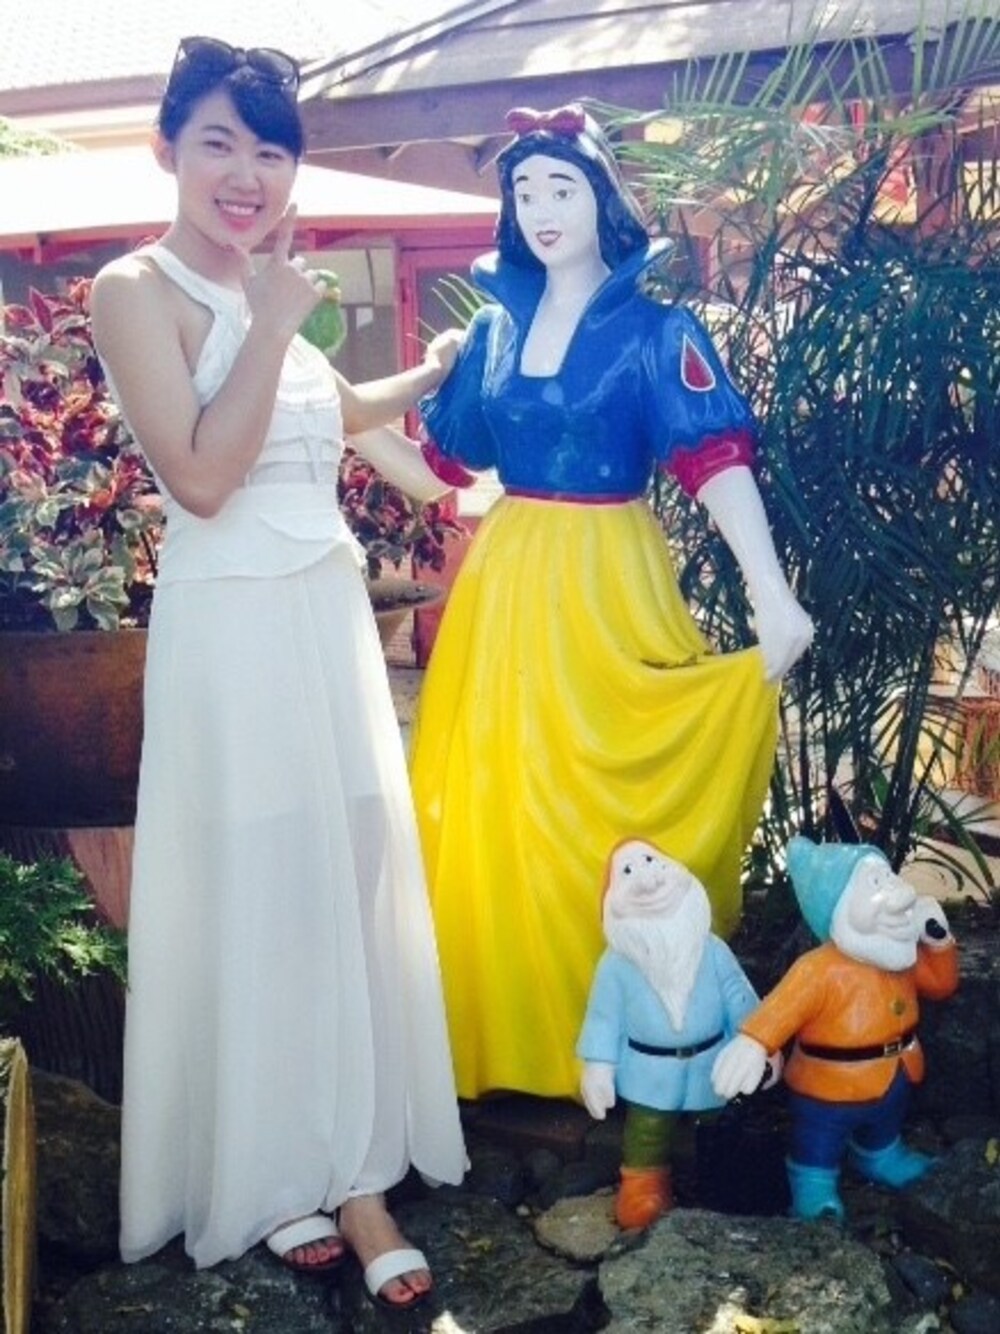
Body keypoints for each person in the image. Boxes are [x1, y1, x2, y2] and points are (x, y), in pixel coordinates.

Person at [90, 35, 466, 1307]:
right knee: (260, 886)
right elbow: (204, 474)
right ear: (168, 151)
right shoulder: (133, 290)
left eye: (270, 149)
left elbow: (332, 416)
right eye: (218, 144)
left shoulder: (270, 293)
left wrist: (433, 378)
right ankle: (274, 1173)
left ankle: (352, 1163)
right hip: (233, 632)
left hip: (322, 617)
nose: (246, 174)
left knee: (346, 867)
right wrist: (270, 317)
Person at [411, 103, 814, 1101]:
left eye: (562, 186)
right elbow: (443, 466)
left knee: (610, 784)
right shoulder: (494, 329)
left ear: (603, 199)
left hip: (606, 575)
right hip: (506, 590)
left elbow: (713, 460)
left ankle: (628, 1039)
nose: (541, 208)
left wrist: (770, 592)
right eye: (523, 190)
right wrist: (320, 422)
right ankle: (513, 1036)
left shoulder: (655, 330)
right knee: (505, 800)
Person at [712, 836, 958, 1221]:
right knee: (818, 1138)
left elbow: (940, 986)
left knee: (885, 1123)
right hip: (829, 1085)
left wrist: (938, 942)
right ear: (840, 905)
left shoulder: (900, 953)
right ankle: (813, 1181)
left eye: (888, 876)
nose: (895, 891)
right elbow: (782, 1008)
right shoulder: (818, 969)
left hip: (897, 1070)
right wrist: (754, 1042)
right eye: (874, 883)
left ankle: (880, 1155)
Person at [577, 838, 778, 1229]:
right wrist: (598, 1066)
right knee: (647, 1129)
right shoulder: (616, 965)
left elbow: (739, 996)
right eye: (628, 871)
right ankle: (644, 1183)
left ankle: (725, 1179)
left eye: (651, 860)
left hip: (712, 1064)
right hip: (650, 1071)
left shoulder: (712, 950)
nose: (648, 879)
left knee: (721, 1122)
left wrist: (762, 1044)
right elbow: (604, 1018)